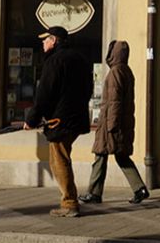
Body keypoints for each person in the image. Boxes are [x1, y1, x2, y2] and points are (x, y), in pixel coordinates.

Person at [24, 25, 93, 218]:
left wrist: (32, 119)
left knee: (59, 160)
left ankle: (69, 203)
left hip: (59, 120)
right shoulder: (80, 59)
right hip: (76, 117)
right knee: (63, 157)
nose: (42, 42)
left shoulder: (54, 61)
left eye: (45, 39)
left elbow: (44, 94)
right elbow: (89, 88)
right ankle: (69, 200)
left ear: (54, 40)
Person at [79, 40, 150, 205]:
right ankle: (139, 188)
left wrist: (111, 125)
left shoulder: (115, 73)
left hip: (111, 123)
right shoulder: (126, 71)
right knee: (121, 156)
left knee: (101, 155)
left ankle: (94, 193)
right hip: (121, 122)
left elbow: (114, 102)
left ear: (114, 54)